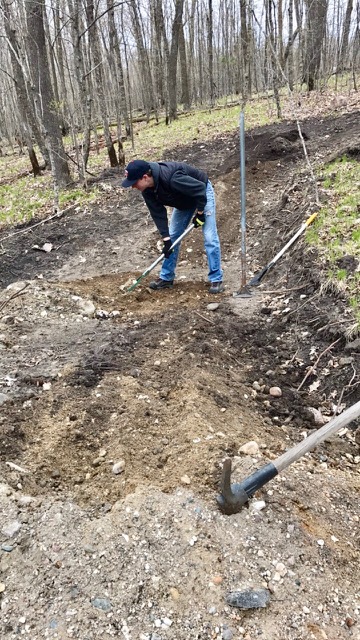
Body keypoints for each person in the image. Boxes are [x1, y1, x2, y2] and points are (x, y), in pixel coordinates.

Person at [121, 159, 224, 294]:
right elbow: (158, 213)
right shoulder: (147, 190)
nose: (133, 187)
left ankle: (216, 279)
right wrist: (166, 239)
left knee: (209, 237)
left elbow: (199, 188)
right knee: (173, 236)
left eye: (134, 183)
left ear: (145, 177)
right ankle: (166, 278)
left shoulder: (171, 177)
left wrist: (200, 213)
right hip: (183, 201)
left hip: (201, 193)